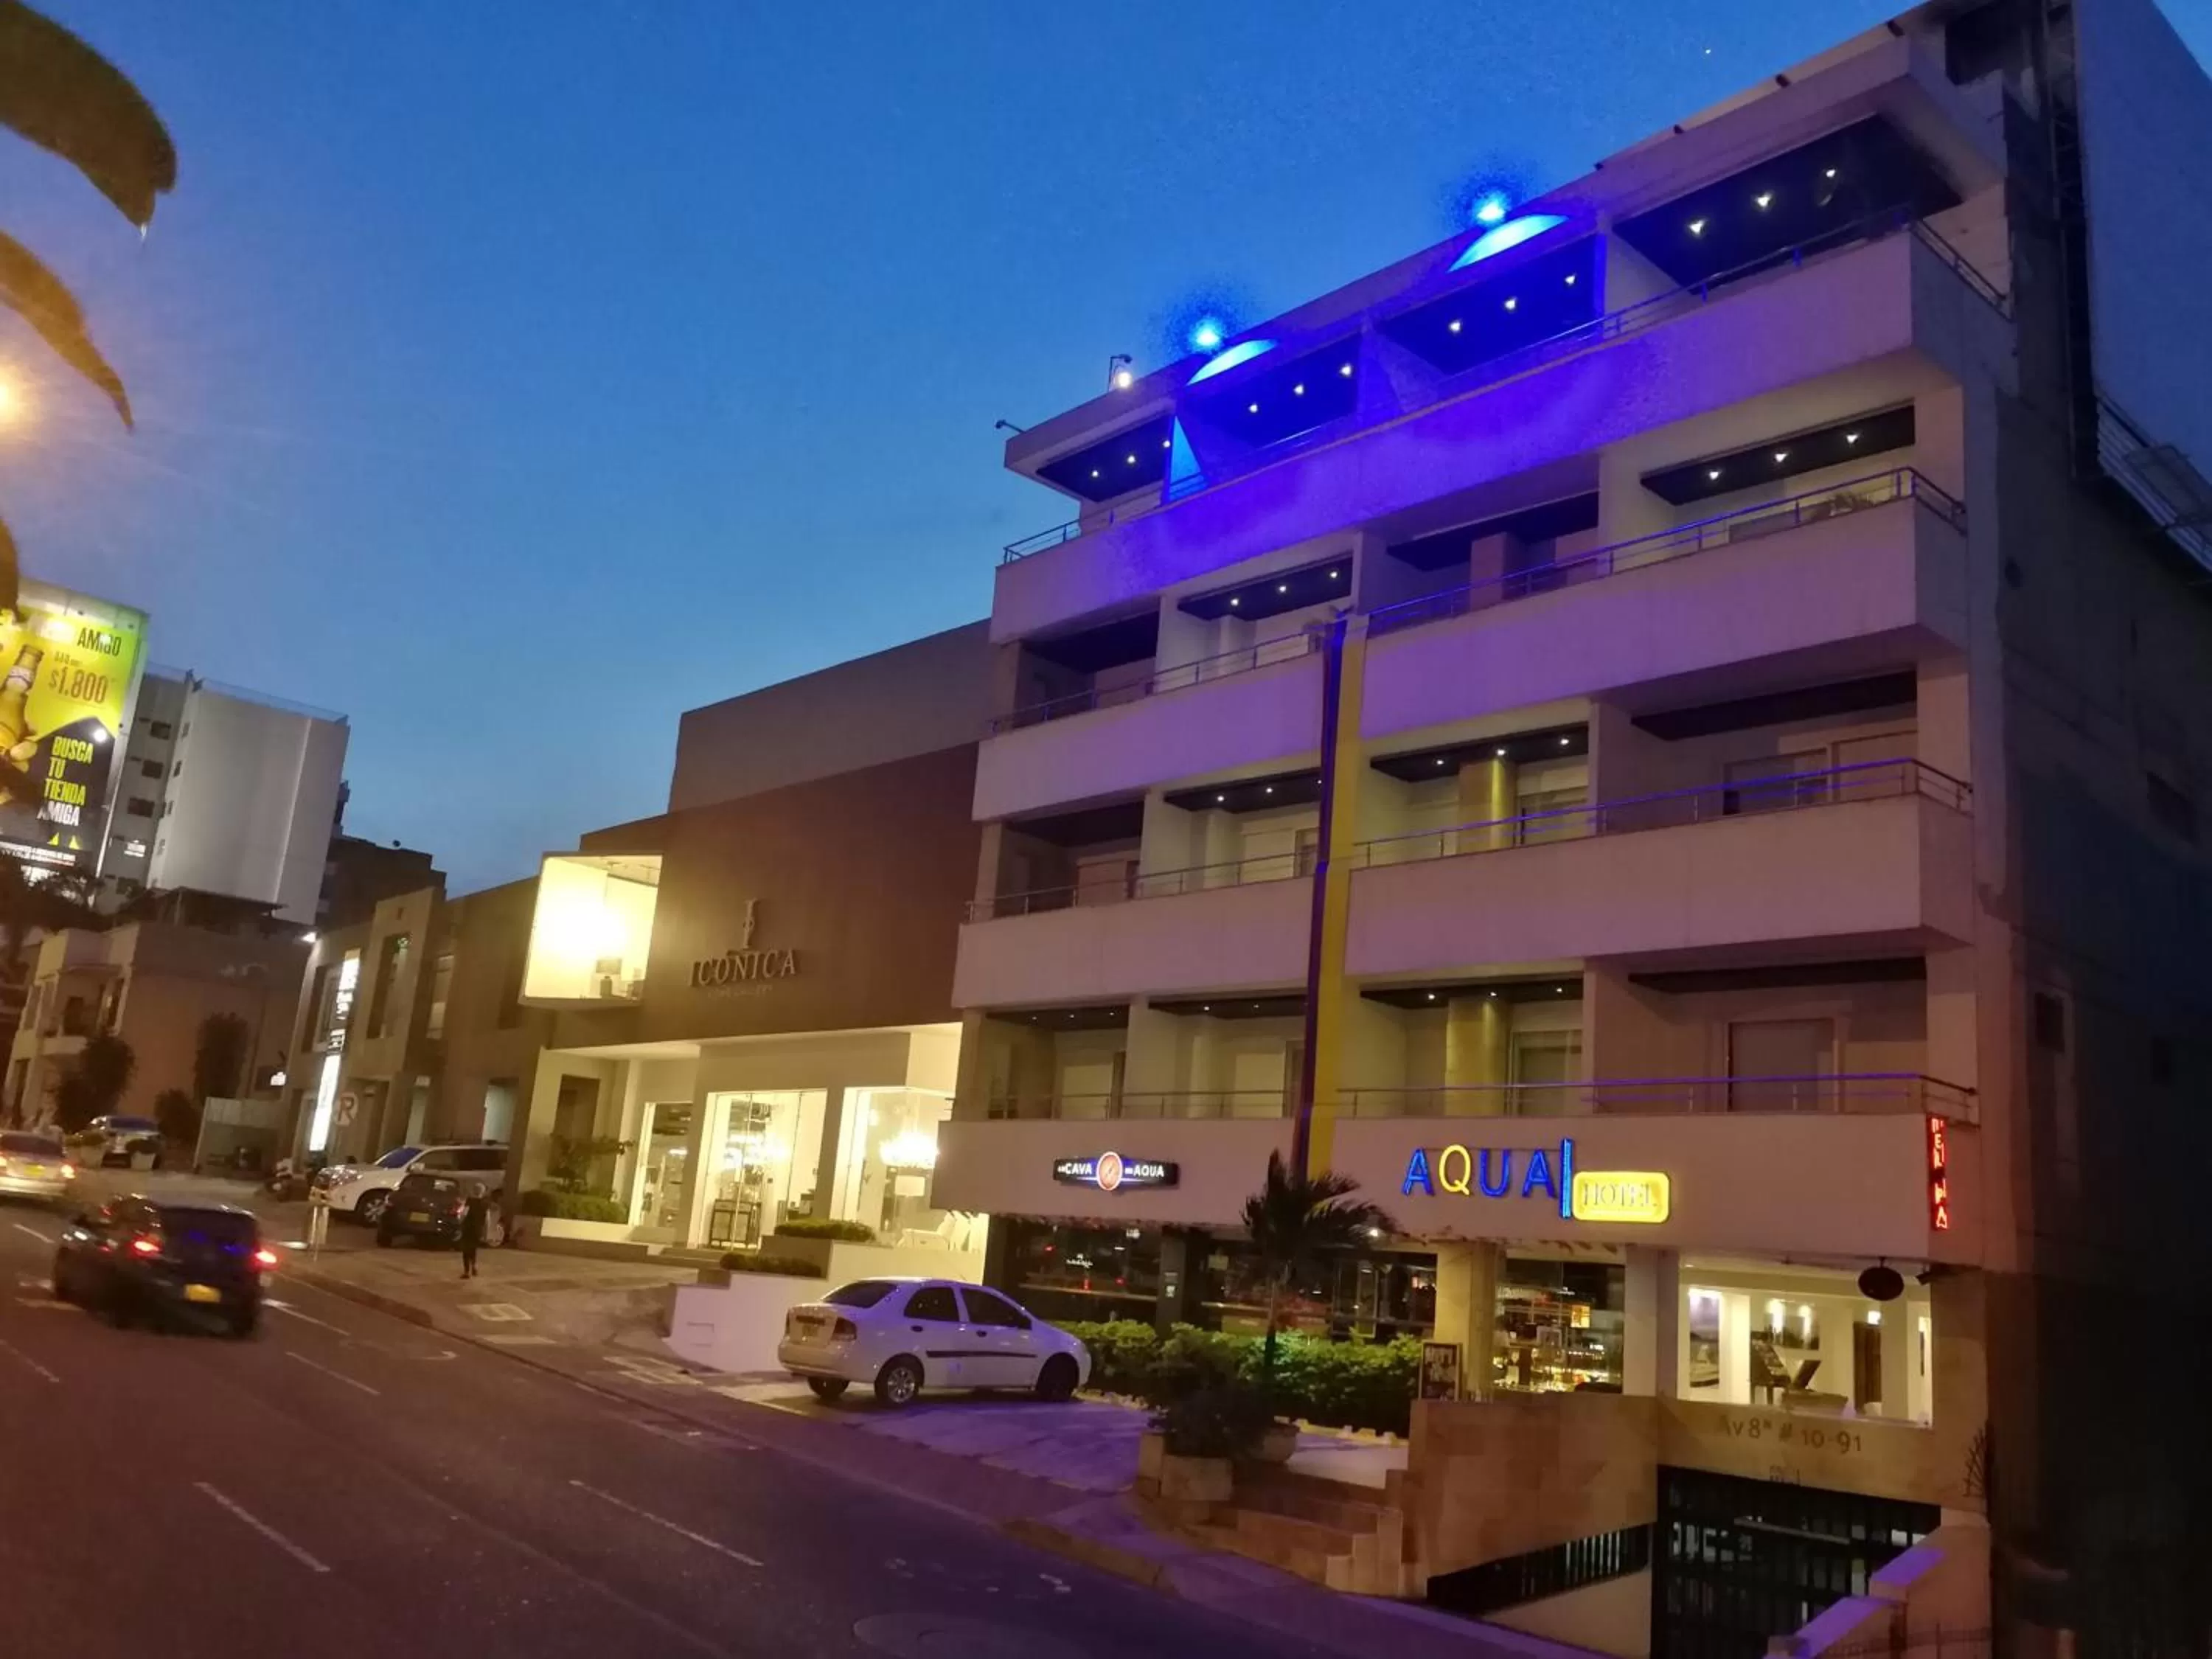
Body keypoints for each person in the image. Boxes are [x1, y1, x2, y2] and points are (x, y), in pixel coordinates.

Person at [459, 1181, 490, 1280]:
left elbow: (464, 1213)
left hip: (468, 1228)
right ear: (483, 1192)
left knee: (466, 1250)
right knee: (474, 1249)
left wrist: (460, 1221)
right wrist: (486, 1233)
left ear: (474, 1191)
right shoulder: (486, 1204)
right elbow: (487, 1220)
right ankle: (475, 1265)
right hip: (478, 1230)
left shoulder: (470, 1201)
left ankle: (467, 1272)